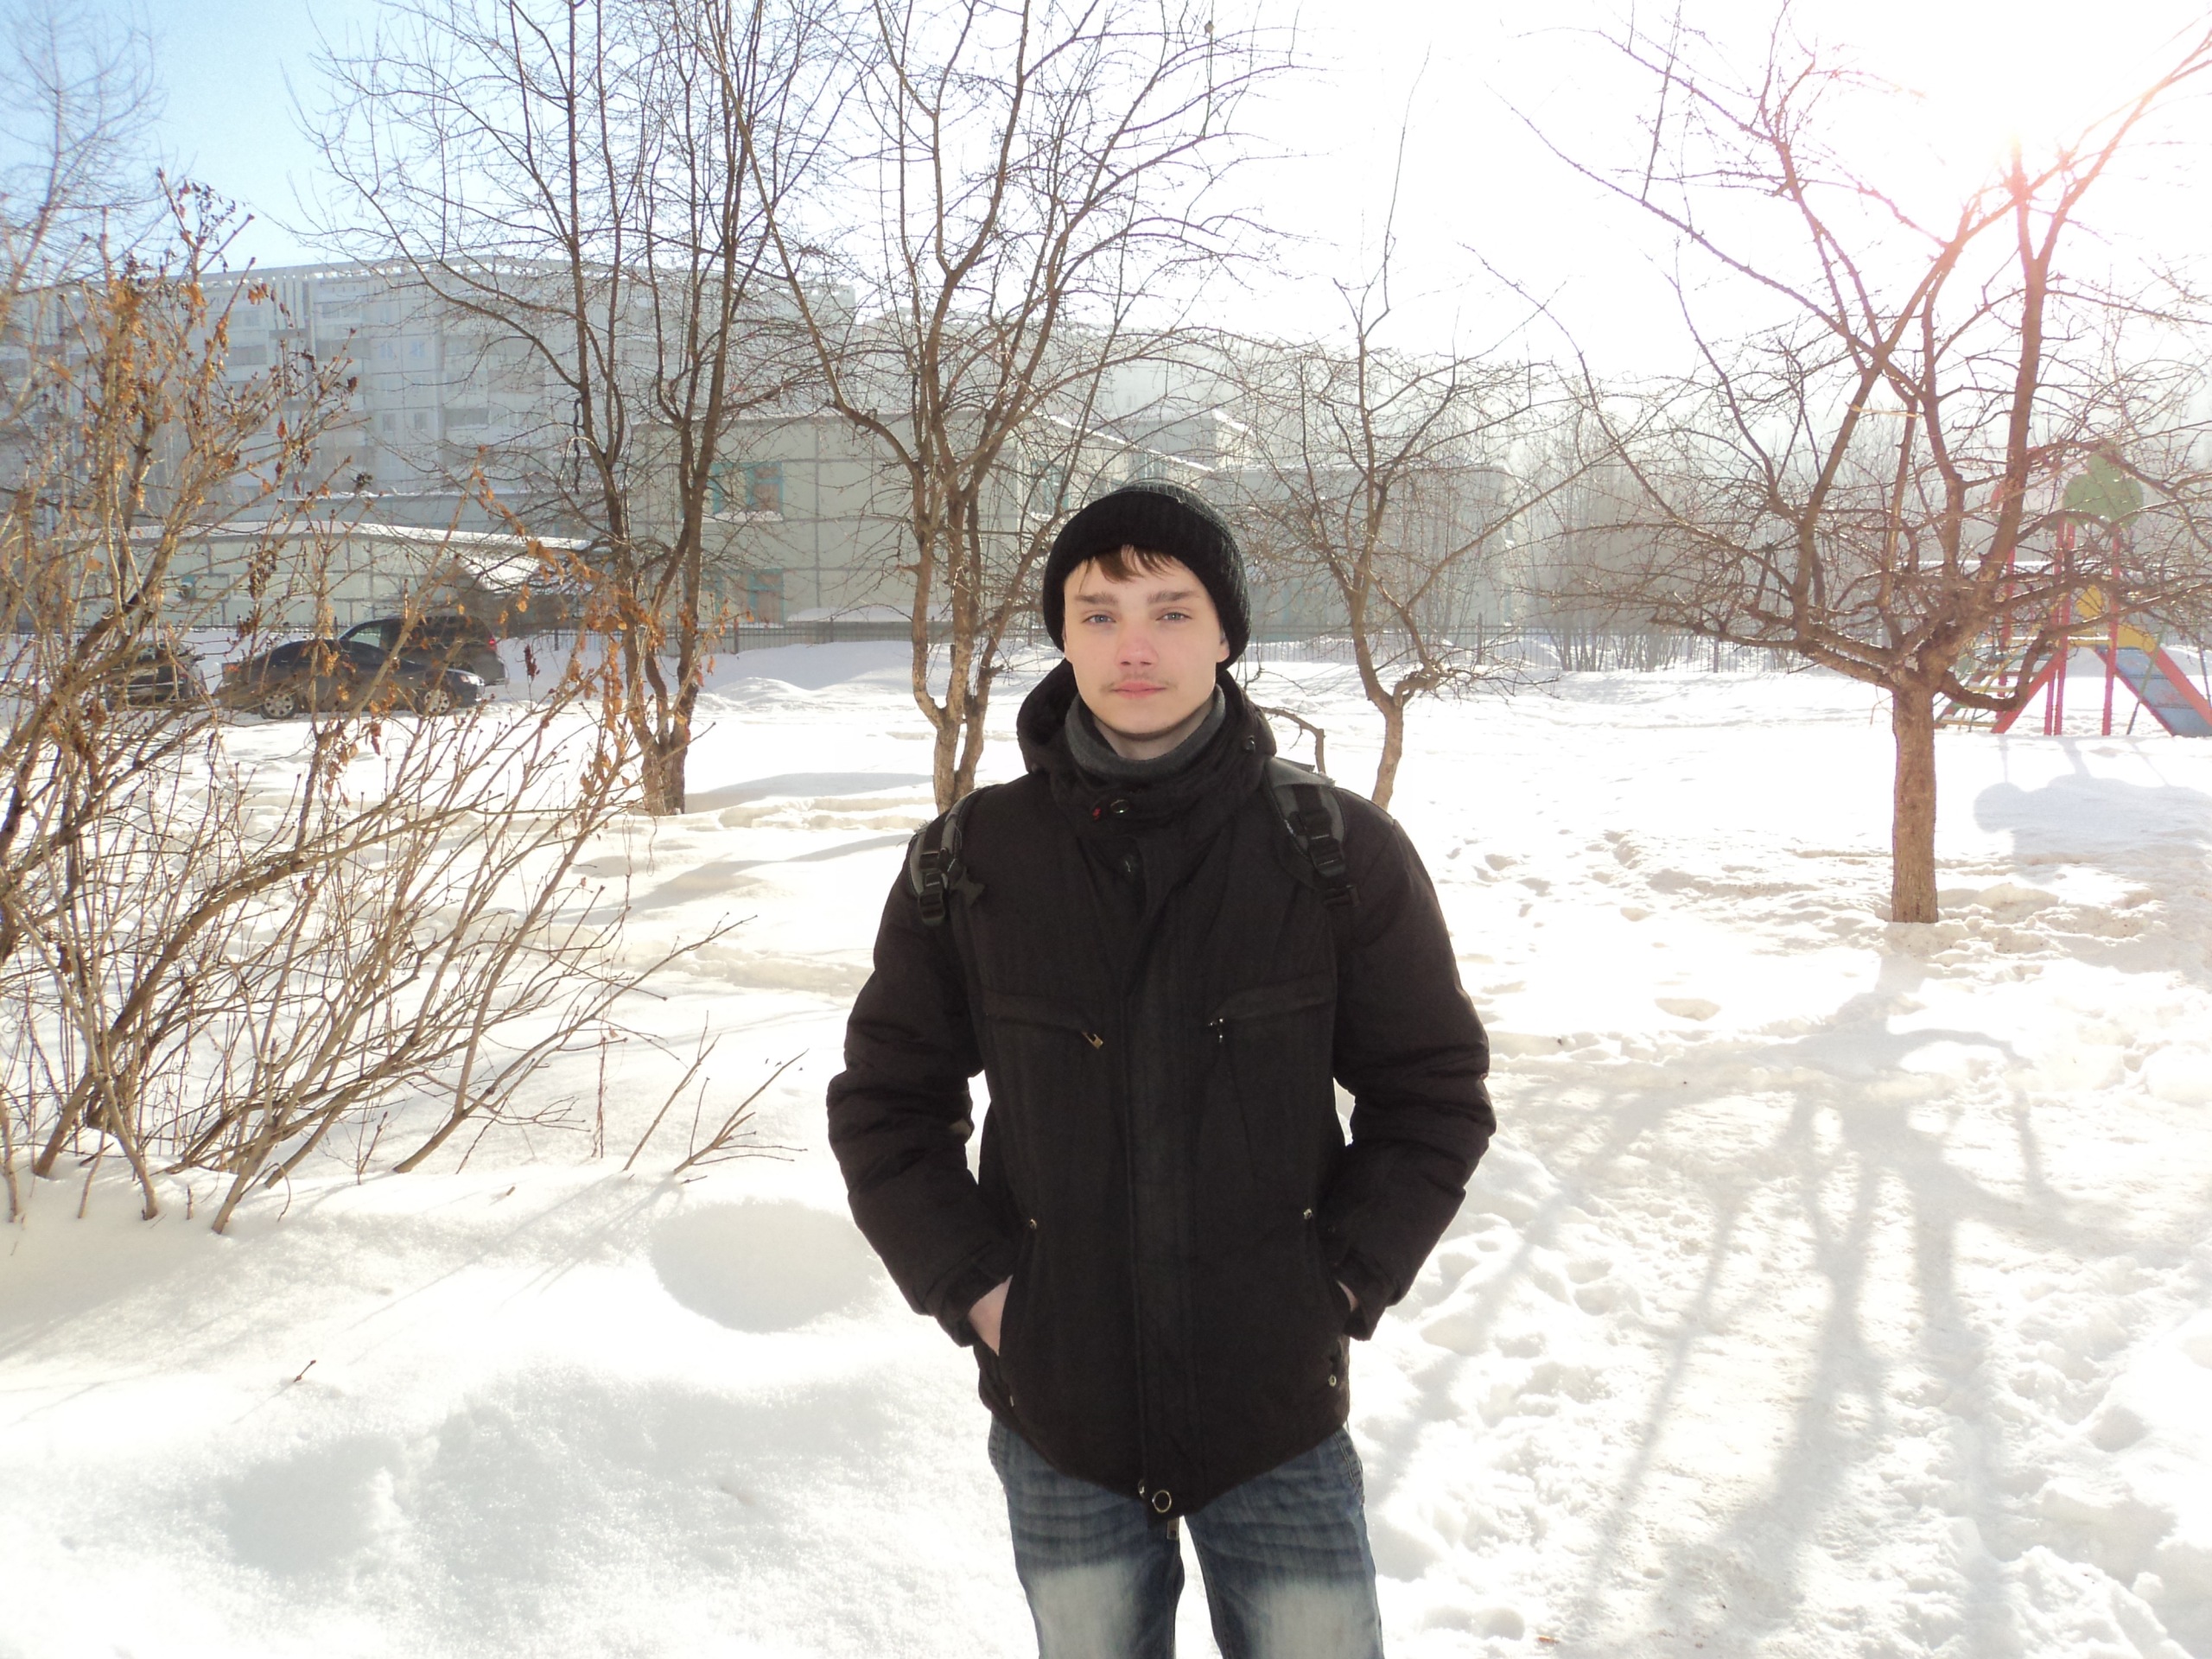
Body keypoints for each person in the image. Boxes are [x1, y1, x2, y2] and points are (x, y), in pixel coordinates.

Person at [827, 480, 1493, 1658]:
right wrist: (984, 1294)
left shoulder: (1331, 850)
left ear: (1227, 633)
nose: (1133, 646)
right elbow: (887, 1107)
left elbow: (1431, 1093)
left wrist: (1336, 1284)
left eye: (1171, 611)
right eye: (1099, 613)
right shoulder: (973, 860)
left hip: (1273, 1418)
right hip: (1062, 1416)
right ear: (1064, 633)